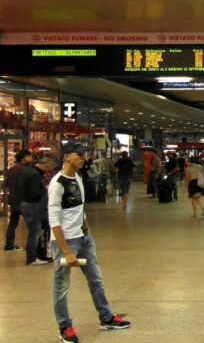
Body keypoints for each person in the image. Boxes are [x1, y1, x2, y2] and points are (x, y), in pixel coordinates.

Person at [48, 141, 131, 343]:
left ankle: (106, 317)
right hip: (65, 241)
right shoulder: (57, 183)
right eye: (79, 155)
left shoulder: (77, 177)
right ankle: (65, 327)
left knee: (96, 279)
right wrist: (66, 251)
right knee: (62, 286)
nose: (83, 158)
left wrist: (86, 227)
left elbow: (79, 207)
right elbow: (54, 219)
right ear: (67, 156)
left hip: (84, 238)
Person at [17, 155, 55, 265]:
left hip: (24, 203)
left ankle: (36, 255)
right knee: (34, 232)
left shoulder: (27, 170)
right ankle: (32, 258)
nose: (49, 170)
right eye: (49, 167)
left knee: (33, 231)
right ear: (45, 164)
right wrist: (44, 190)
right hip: (32, 205)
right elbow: (35, 193)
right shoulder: (35, 175)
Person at [4, 149, 32, 252]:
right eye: (29, 156)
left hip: (13, 201)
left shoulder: (11, 170)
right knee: (32, 225)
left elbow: (6, 184)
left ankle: (9, 245)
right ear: (23, 158)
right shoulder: (26, 170)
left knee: (13, 223)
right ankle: (33, 248)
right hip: (24, 201)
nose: (31, 158)